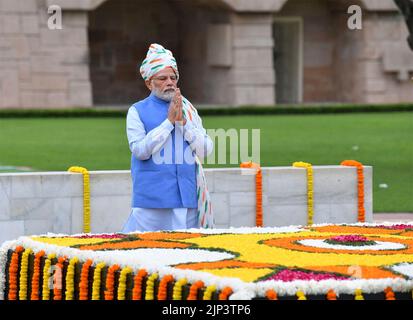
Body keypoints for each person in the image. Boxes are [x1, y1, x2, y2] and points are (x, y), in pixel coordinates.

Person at [122, 43, 214, 232]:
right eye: (162, 78)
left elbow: (206, 150)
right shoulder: (137, 111)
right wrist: (168, 122)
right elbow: (140, 151)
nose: (170, 82)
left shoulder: (188, 109)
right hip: (152, 203)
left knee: (188, 256)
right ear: (149, 83)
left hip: (188, 201)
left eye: (173, 78)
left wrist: (183, 123)